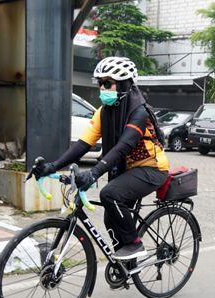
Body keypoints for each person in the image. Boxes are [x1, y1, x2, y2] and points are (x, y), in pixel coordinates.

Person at [32, 56, 170, 260]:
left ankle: (134, 244)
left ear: (123, 85)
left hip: (152, 169)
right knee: (110, 218)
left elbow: (123, 147)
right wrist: (53, 166)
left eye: (107, 83)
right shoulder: (103, 113)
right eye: (100, 83)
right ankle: (127, 267)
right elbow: (83, 144)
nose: (102, 89)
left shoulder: (139, 113)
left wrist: (94, 173)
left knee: (110, 195)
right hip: (127, 170)